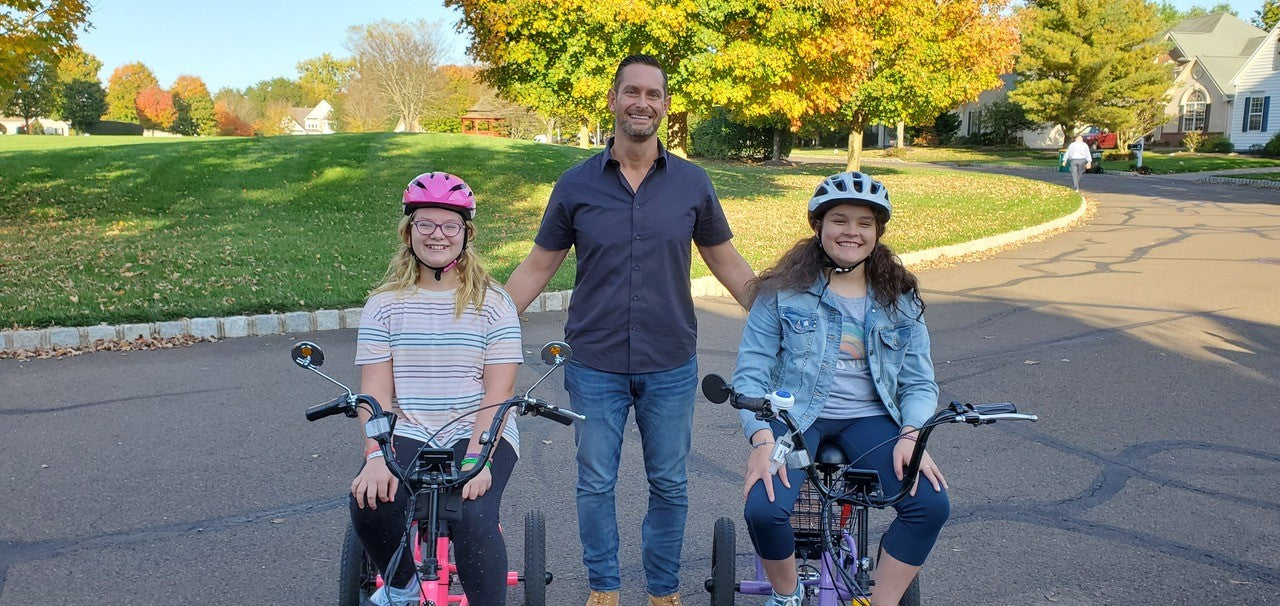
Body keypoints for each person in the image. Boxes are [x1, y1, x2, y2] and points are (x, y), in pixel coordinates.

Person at [504, 54, 755, 606]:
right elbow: (537, 267)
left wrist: (776, 318)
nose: (642, 103)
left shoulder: (692, 183)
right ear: (614, 99)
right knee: (596, 482)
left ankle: (663, 590)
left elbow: (727, 262)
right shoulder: (576, 185)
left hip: (670, 362)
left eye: (653, 94)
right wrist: (486, 323)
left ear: (665, 105)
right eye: (632, 92)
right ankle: (605, 587)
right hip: (594, 363)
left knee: (669, 482)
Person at [732, 171, 949, 606]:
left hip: (871, 418)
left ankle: (878, 601)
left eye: (864, 223)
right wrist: (761, 439)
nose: (852, 232)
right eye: (840, 220)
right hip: (796, 418)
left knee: (929, 504)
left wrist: (912, 434)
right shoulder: (781, 293)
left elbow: (919, 381)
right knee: (764, 508)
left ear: (877, 232)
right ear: (819, 226)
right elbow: (750, 375)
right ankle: (787, 594)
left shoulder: (900, 297)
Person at [350, 172, 523, 606]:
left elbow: (498, 391)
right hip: (409, 427)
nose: (437, 234)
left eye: (450, 225)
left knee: (473, 514)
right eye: (425, 224)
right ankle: (402, 584)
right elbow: (375, 394)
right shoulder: (383, 306)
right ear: (408, 232)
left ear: (466, 234)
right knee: (370, 499)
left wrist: (478, 459)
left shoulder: (494, 303)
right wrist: (376, 456)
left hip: (479, 429)